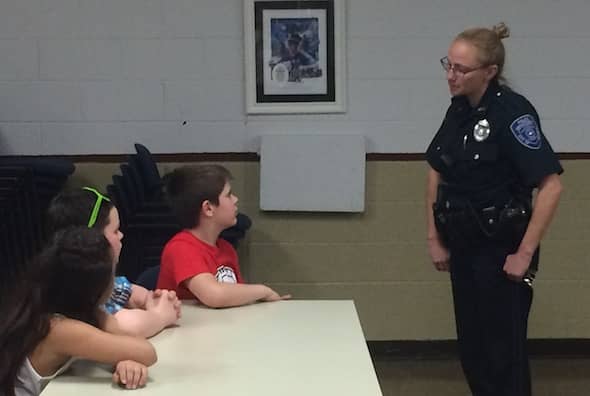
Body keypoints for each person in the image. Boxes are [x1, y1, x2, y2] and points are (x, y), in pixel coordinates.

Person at [425, 23, 563, 396]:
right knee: (474, 351)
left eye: (461, 69)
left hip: (502, 251)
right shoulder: (458, 111)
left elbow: (551, 185)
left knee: (504, 356)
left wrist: (524, 253)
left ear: (490, 72)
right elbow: (437, 168)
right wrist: (434, 236)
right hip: (464, 247)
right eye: (448, 65)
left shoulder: (511, 114)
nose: (451, 76)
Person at [0, 227, 157, 396]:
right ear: (96, 288)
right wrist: (126, 353)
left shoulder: (48, 303)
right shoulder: (59, 329)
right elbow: (147, 352)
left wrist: (123, 359)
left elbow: (126, 340)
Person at [46, 187, 180, 338]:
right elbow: (128, 327)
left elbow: (138, 295)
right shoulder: (78, 293)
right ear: (92, 240)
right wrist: (160, 317)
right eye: (115, 231)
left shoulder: (111, 284)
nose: (121, 235)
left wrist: (157, 301)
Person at [157, 165, 291, 307]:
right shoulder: (181, 248)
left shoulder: (226, 248)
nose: (235, 199)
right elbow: (215, 296)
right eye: (228, 195)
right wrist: (263, 291)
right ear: (208, 208)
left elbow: (234, 296)